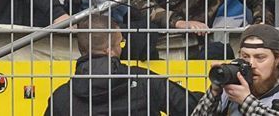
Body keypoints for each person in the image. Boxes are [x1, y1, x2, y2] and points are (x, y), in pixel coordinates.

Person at [45, 12, 198, 116]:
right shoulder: (143, 82)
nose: (121, 48)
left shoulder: (61, 97)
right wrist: (218, 92)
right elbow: (193, 108)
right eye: (121, 43)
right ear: (109, 50)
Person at [191, 23, 279, 115]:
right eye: (245, 56)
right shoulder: (231, 92)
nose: (251, 64)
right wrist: (214, 92)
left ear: (277, 58)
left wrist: (246, 101)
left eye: (260, 57)